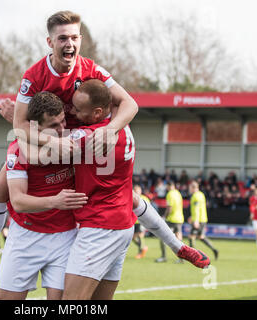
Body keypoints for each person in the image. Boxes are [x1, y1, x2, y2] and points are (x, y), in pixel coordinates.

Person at [0, 9, 139, 289]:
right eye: (63, 38)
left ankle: (172, 244)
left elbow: (130, 104)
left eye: (75, 37)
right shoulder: (34, 75)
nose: (70, 44)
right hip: (49, 140)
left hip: (81, 144)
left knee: (126, 197)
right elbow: (19, 126)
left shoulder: (91, 69)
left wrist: (109, 130)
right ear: (49, 42)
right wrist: (54, 141)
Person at [62, 80, 209, 300]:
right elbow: (126, 103)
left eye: (78, 109)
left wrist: (18, 121)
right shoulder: (123, 126)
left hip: (99, 229)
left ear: (97, 113)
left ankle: (178, 247)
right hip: (121, 225)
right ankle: (178, 247)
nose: (72, 112)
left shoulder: (89, 137)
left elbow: (41, 148)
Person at [0, 92, 87, 298]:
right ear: (35, 128)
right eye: (54, 126)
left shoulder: (74, 139)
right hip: (26, 235)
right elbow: (18, 202)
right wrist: (55, 201)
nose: (62, 129)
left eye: (63, 121)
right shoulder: (18, 149)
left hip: (66, 237)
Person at [188, 180, 219, 260]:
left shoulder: (196, 196)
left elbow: (197, 209)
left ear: (193, 188)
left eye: (190, 188)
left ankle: (192, 256)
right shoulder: (201, 194)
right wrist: (192, 217)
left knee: (191, 237)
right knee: (200, 237)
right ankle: (214, 250)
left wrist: (196, 220)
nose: (189, 190)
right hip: (202, 219)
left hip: (199, 220)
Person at [156, 181, 184, 263]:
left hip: (172, 219)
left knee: (163, 237)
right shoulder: (178, 193)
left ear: (168, 186)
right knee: (179, 240)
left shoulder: (170, 194)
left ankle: (163, 257)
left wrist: (164, 217)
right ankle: (181, 259)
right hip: (180, 219)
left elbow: (169, 208)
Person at [132, 185, 149, 259]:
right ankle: (144, 248)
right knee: (133, 238)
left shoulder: (144, 198)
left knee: (140, 235)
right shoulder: (131, 198)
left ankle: (140, 252)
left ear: (140, 191)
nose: (136, 192)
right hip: (134, 221)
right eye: (135, 190)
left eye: (137, 190)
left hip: (141, 221)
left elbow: (149, 210)